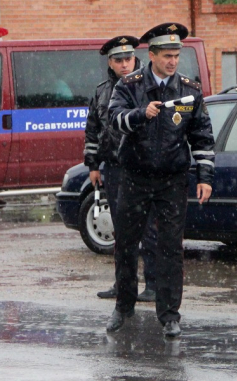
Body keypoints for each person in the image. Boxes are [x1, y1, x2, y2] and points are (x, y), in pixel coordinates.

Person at [106, 22, 215, 338]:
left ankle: (169, 315)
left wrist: (205, 176)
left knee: (170, 248)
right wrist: (140, 114)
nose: (172, 61)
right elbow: (114, 120)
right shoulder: (129, 85)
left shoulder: (189, 90)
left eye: (176, 55)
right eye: (167, 55)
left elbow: (202, 135)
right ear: (151, 55)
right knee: (127, 244)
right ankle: (123, 306)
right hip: (135, 176)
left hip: (171, 179)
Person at [84, 35, 158, 303]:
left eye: (128, 59)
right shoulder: (102, 91)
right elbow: (93, 130)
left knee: (148, 228)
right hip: (114, 168)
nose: (125, 64)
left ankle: (153, 284)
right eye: (119, 60)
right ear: (110, 62)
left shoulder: (147, 86)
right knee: (122, 231)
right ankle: (123, 283)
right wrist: (93, 164)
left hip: (142, 168)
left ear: (135, 59)